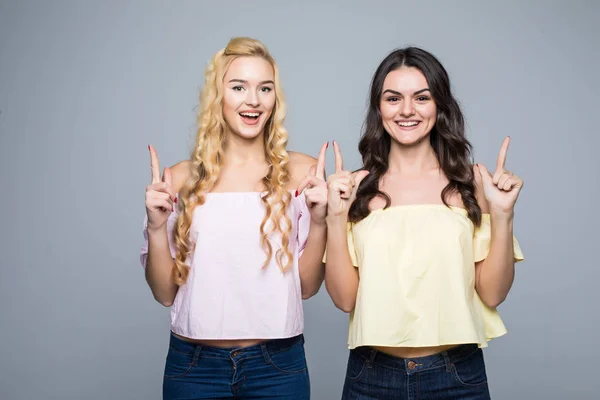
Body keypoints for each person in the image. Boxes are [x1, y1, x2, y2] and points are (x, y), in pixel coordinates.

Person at [324, 47, 524, 399]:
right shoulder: (354, 188)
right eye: (393, 98)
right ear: (379, 108)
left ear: (440, 106)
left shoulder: (473, 183)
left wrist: (504, 214)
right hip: (371, 377)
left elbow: (492, 293)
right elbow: (344, 299)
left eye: (421, 97)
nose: (406, 110)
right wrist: (335, 217)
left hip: (457, 374)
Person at [140, 37, 327, 399]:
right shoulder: (179, 179)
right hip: (194, 367)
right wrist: (156, 226)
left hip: (276, 366)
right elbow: (164, 292)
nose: (253, 100)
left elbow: (306, 288)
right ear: (218, 95)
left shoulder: (303, 174)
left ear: (275, 99)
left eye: (265, 88)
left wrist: (320, 221)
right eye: (238, 86)